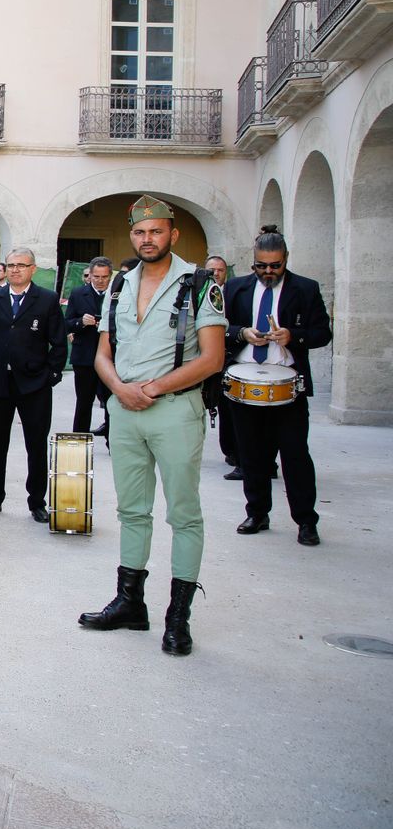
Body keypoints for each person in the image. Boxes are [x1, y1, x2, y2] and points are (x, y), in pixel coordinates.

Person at [81, 196, 225, 655]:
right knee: (131, 510)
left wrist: (154, 388)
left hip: (175, 410)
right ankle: (130, 603)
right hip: (125, 410)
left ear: (173, 235)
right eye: (140, 233)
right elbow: (103, 352)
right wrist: (120, 390)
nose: (148, 239)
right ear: (132, 236)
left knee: (183, 514)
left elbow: (212, 358)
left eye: (156, 231)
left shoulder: (200, 283)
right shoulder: (120, 285)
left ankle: (178, 618)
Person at [222, 226, 332, 545]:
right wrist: (242, 333)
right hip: (244, 383)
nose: (268, 272)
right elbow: (219, 327)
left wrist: (293, 336)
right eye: (261, 266)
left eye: (275, 266)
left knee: (295, 454)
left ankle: (306, 521)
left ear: (285, 259)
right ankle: (257, 512)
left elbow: (322, 333)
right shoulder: (235, 288)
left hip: (288, 386)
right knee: (251, 455)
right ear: (253, 261)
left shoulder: (306, 289)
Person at [0, 248, 66, 521]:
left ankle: (36, 501)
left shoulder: (46, 300)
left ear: (32, 269)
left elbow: (58, 344)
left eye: (21, 265)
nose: (15, 270)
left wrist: (50, 376)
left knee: (35, 444)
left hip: (34, 385)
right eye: (11, 265)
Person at [65, 257, 113, 434]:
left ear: (110, 276)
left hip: (110, 357)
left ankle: (112, 441)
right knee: (84, 401)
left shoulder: (117, 294)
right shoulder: (78, 293)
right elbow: (67, 323)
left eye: (104, 277)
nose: (100, 281)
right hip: (84, 356)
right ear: (90, 276)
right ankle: (79, 440)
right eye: (97, 276)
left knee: (111, 402)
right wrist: (81, 322)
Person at [204, 254, 238, 467]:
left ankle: (235, 453)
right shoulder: (198, 293)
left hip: (230, 358)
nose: (216, 273)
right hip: (206, 361)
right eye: (212, 270)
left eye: (220, 270)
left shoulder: (234, 294)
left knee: (230, 407)